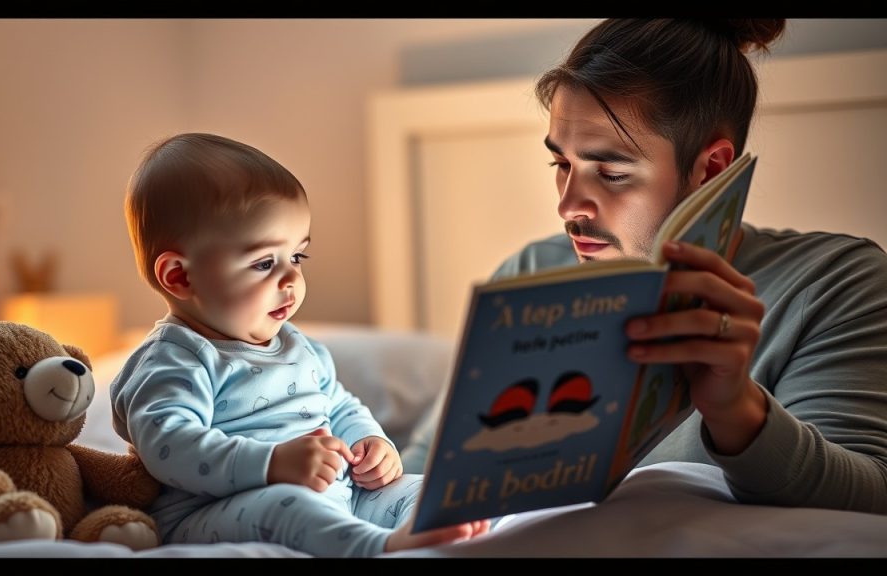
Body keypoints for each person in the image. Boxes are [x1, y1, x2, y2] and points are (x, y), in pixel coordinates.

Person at [403, 18, 887, 514]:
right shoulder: (532, 271)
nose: (568, 207)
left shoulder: (835, 281)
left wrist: (737, 410)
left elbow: (871, 497)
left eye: (611, 174)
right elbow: (421, 471)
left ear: (712, 170)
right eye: (561, 166)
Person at [111, 133, 490, 557]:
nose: (291, 278)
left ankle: (457, 531)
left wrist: (371, 441)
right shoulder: (174, 359)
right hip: (218, 513)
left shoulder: (296, 345)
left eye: (297, 257)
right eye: (263, 263)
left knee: (423, 489)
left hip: (342, 494)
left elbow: (340, 405)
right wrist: (271, 465)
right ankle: (374, 549)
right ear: (180, 277)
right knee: (287, 507)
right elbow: (171, 446)